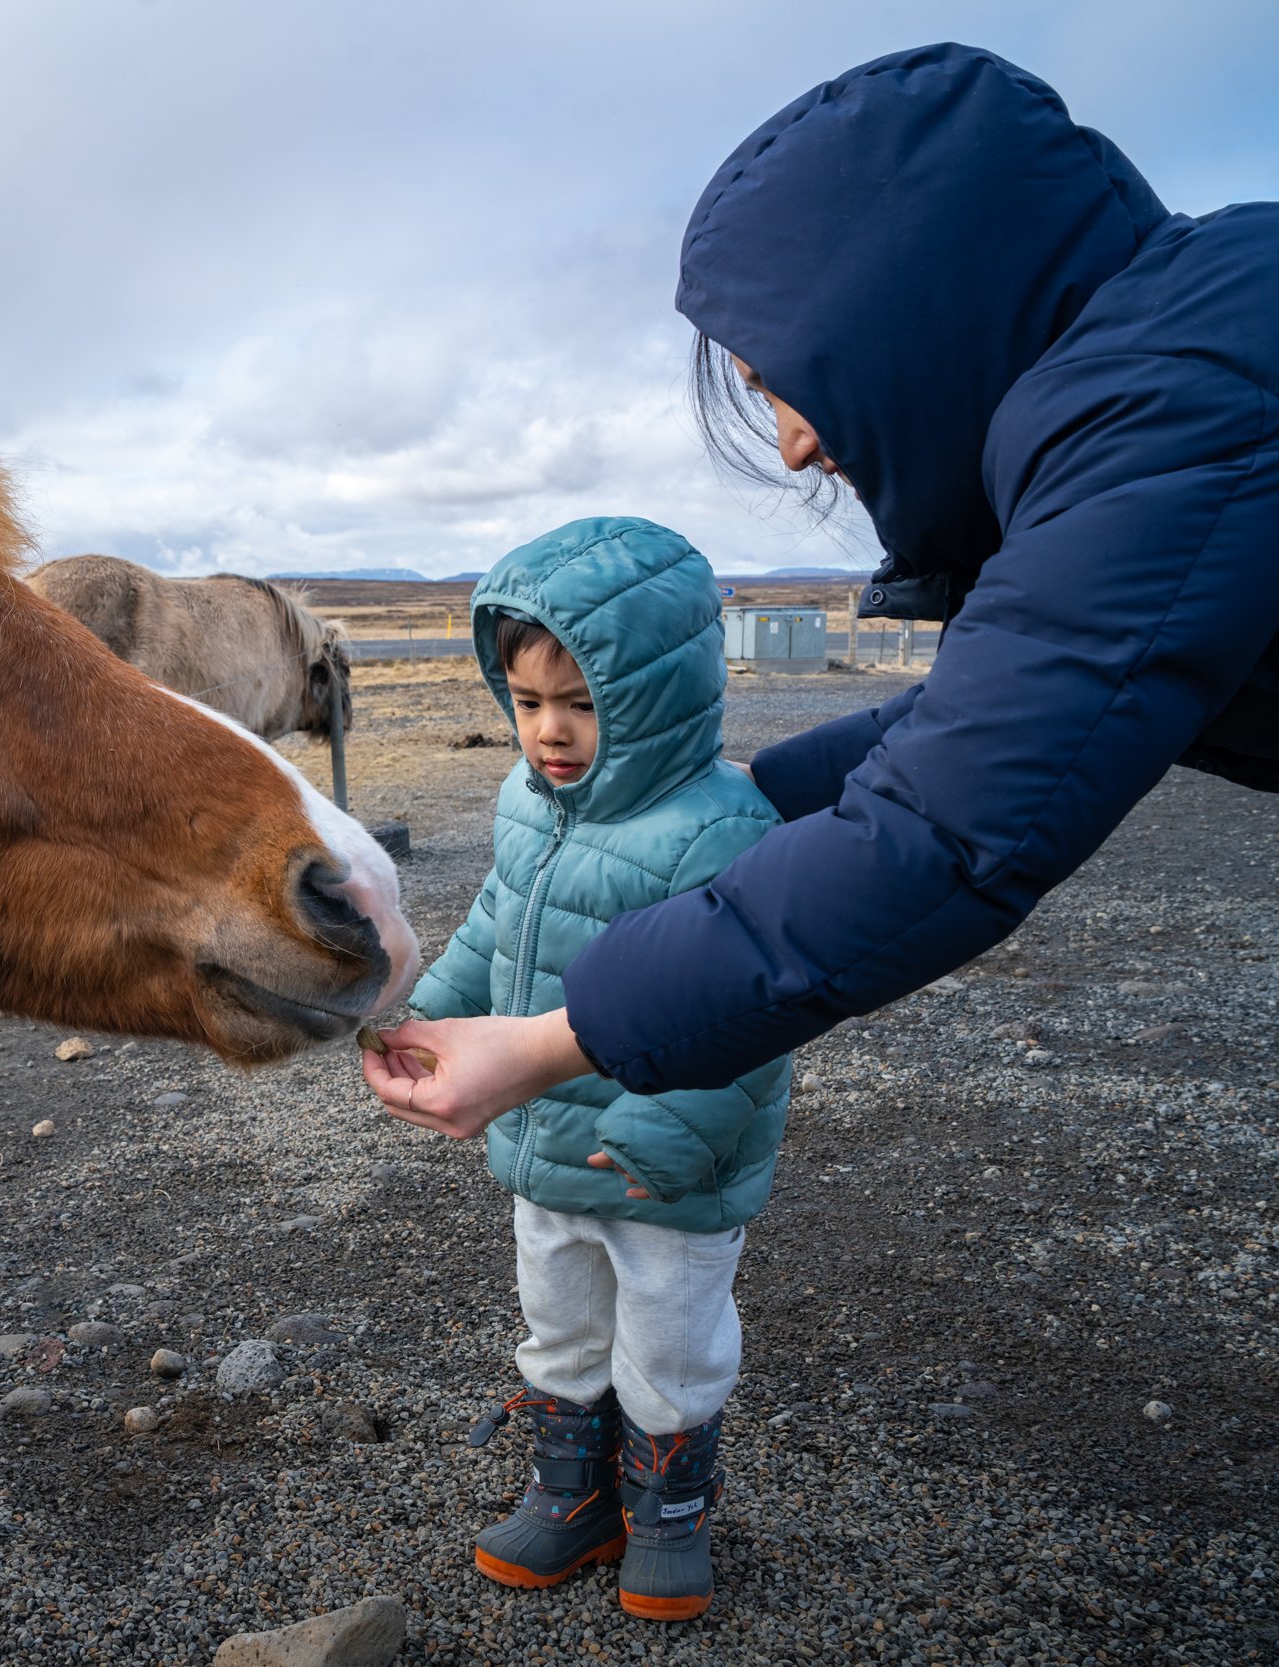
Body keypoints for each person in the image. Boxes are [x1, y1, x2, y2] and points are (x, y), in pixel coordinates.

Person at [366, 41, 1279, 1133]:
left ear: (897, 315)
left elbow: (948, 828)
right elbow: (989, 710)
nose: (793, 446)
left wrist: (556, 1041)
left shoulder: (1174, 405)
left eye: (783, 382)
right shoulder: (1184, 346)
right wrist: (742, 790)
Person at [373, 516, 787, 1621]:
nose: (549, 731)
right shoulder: (526, 802)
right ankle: (571, 1495)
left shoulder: (723, 827)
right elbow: (496, 924)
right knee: (556, 1320)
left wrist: (672, 1131)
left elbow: (754, 1007)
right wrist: (430, 1012)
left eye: (583, 703)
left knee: (668, 1340)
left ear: (661, 692)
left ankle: (666, 1514)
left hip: (665, 1167)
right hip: (543, 1136)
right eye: (526, 702)